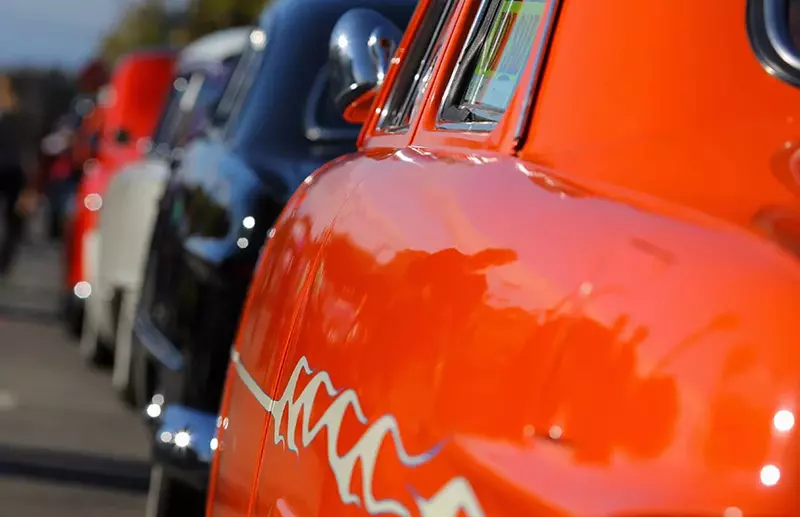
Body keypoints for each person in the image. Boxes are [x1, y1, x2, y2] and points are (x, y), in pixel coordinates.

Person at [0, 74, 40, 276]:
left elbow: (30, 150)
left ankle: (4, 260)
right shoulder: (23, 116)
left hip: (14, 171)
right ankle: (4, 260)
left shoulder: (21, 117)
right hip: (15, 171)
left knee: (13, 222)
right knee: (13, 223)